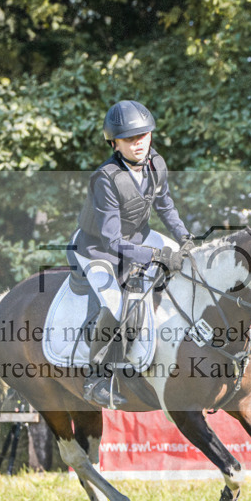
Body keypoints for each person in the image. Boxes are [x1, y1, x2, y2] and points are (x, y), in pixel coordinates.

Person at [67, 100, 193, 406]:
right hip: (96, 248)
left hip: (138, 235)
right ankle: (96, 377)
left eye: (143, 136)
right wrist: (155, 256)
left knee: (188, 262)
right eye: (129, 139)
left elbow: (164, 205)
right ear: (115, 143)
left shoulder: (156, 163)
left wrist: (184, 237)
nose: (138, 143)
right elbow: (112, 240)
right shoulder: (105, 178)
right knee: (115, 302)